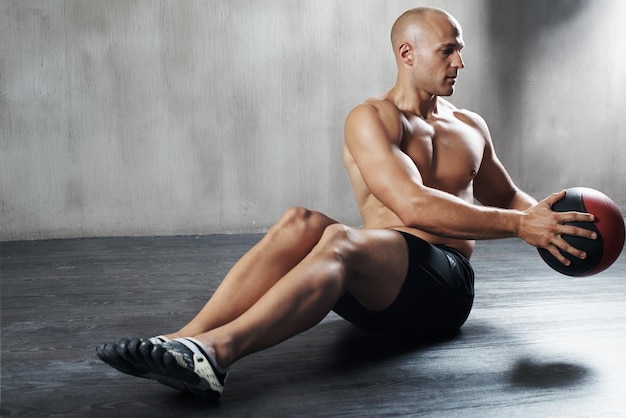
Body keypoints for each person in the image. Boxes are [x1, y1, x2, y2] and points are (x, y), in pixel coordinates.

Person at [96, 7, 595, 400]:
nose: (459, 63)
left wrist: (552, 225)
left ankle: (214, 354)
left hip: (441, 293)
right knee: (299, 222)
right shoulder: (371, 119)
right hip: (372, 286)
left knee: (338, 238)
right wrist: (520, 225)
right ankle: (180, 342)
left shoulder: (469, 125)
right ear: (407, 53)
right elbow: (412, 203)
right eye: (447, 52)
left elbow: (504, 195)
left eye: (460, 51)